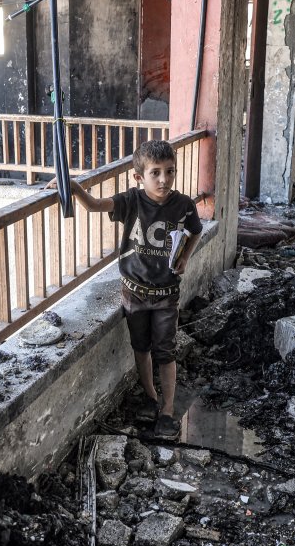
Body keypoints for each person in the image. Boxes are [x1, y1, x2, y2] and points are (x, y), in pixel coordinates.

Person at [48, 140, 202, 438]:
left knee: (166, 352)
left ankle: (168, 411)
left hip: (166, 295)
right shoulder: (131, 201)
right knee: (140, 349)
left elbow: (196, 231)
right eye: (155, 173)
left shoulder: (183, 205)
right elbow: (94, 205)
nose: (164, 179)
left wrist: (184, 256)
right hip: (133, 293)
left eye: (170, 172)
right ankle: (150, 398)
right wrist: (73, 186)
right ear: (139, 177)